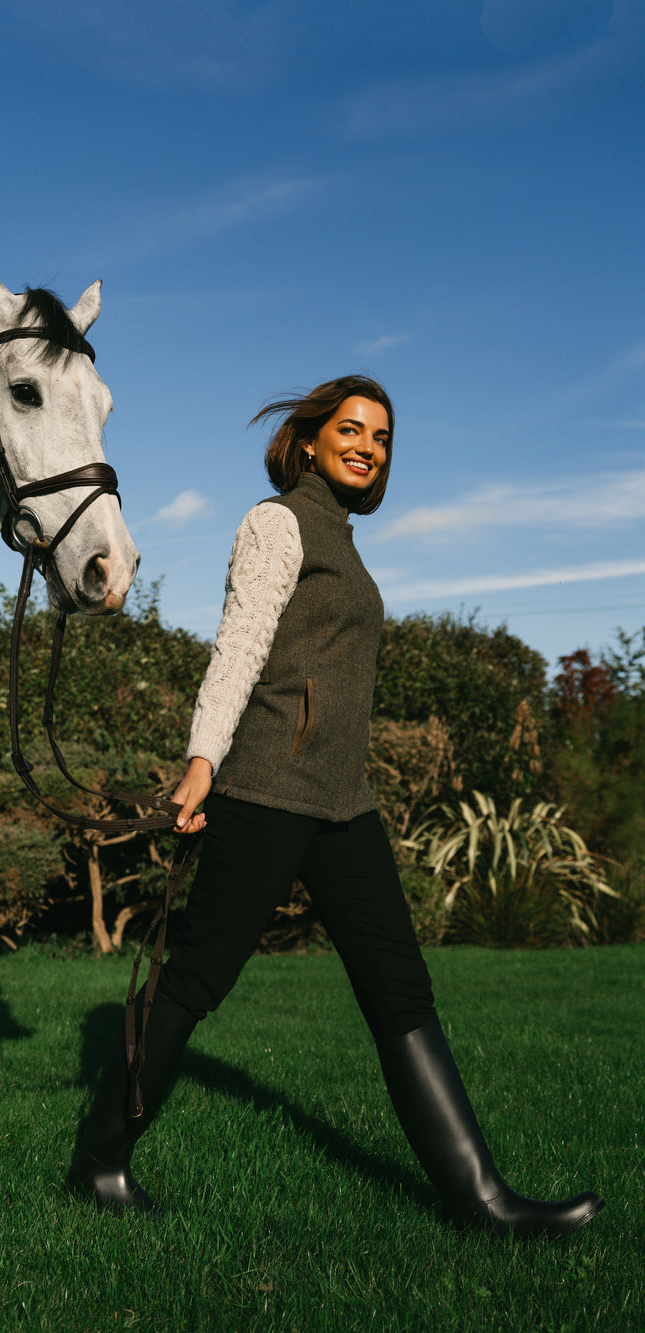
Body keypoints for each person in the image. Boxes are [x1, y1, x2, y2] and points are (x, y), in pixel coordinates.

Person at [66, 375, 602, 1237]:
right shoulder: (278, 522)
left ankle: (480, 1199)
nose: (368, 445)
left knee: (401, 990)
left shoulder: (344, 544)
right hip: (270, 788)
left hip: (343, 804)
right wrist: (203, 762)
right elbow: (238, 645)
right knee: (196, 980)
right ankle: (100, 1160)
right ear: (309, 439)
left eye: (383, 437)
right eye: (351, 429)